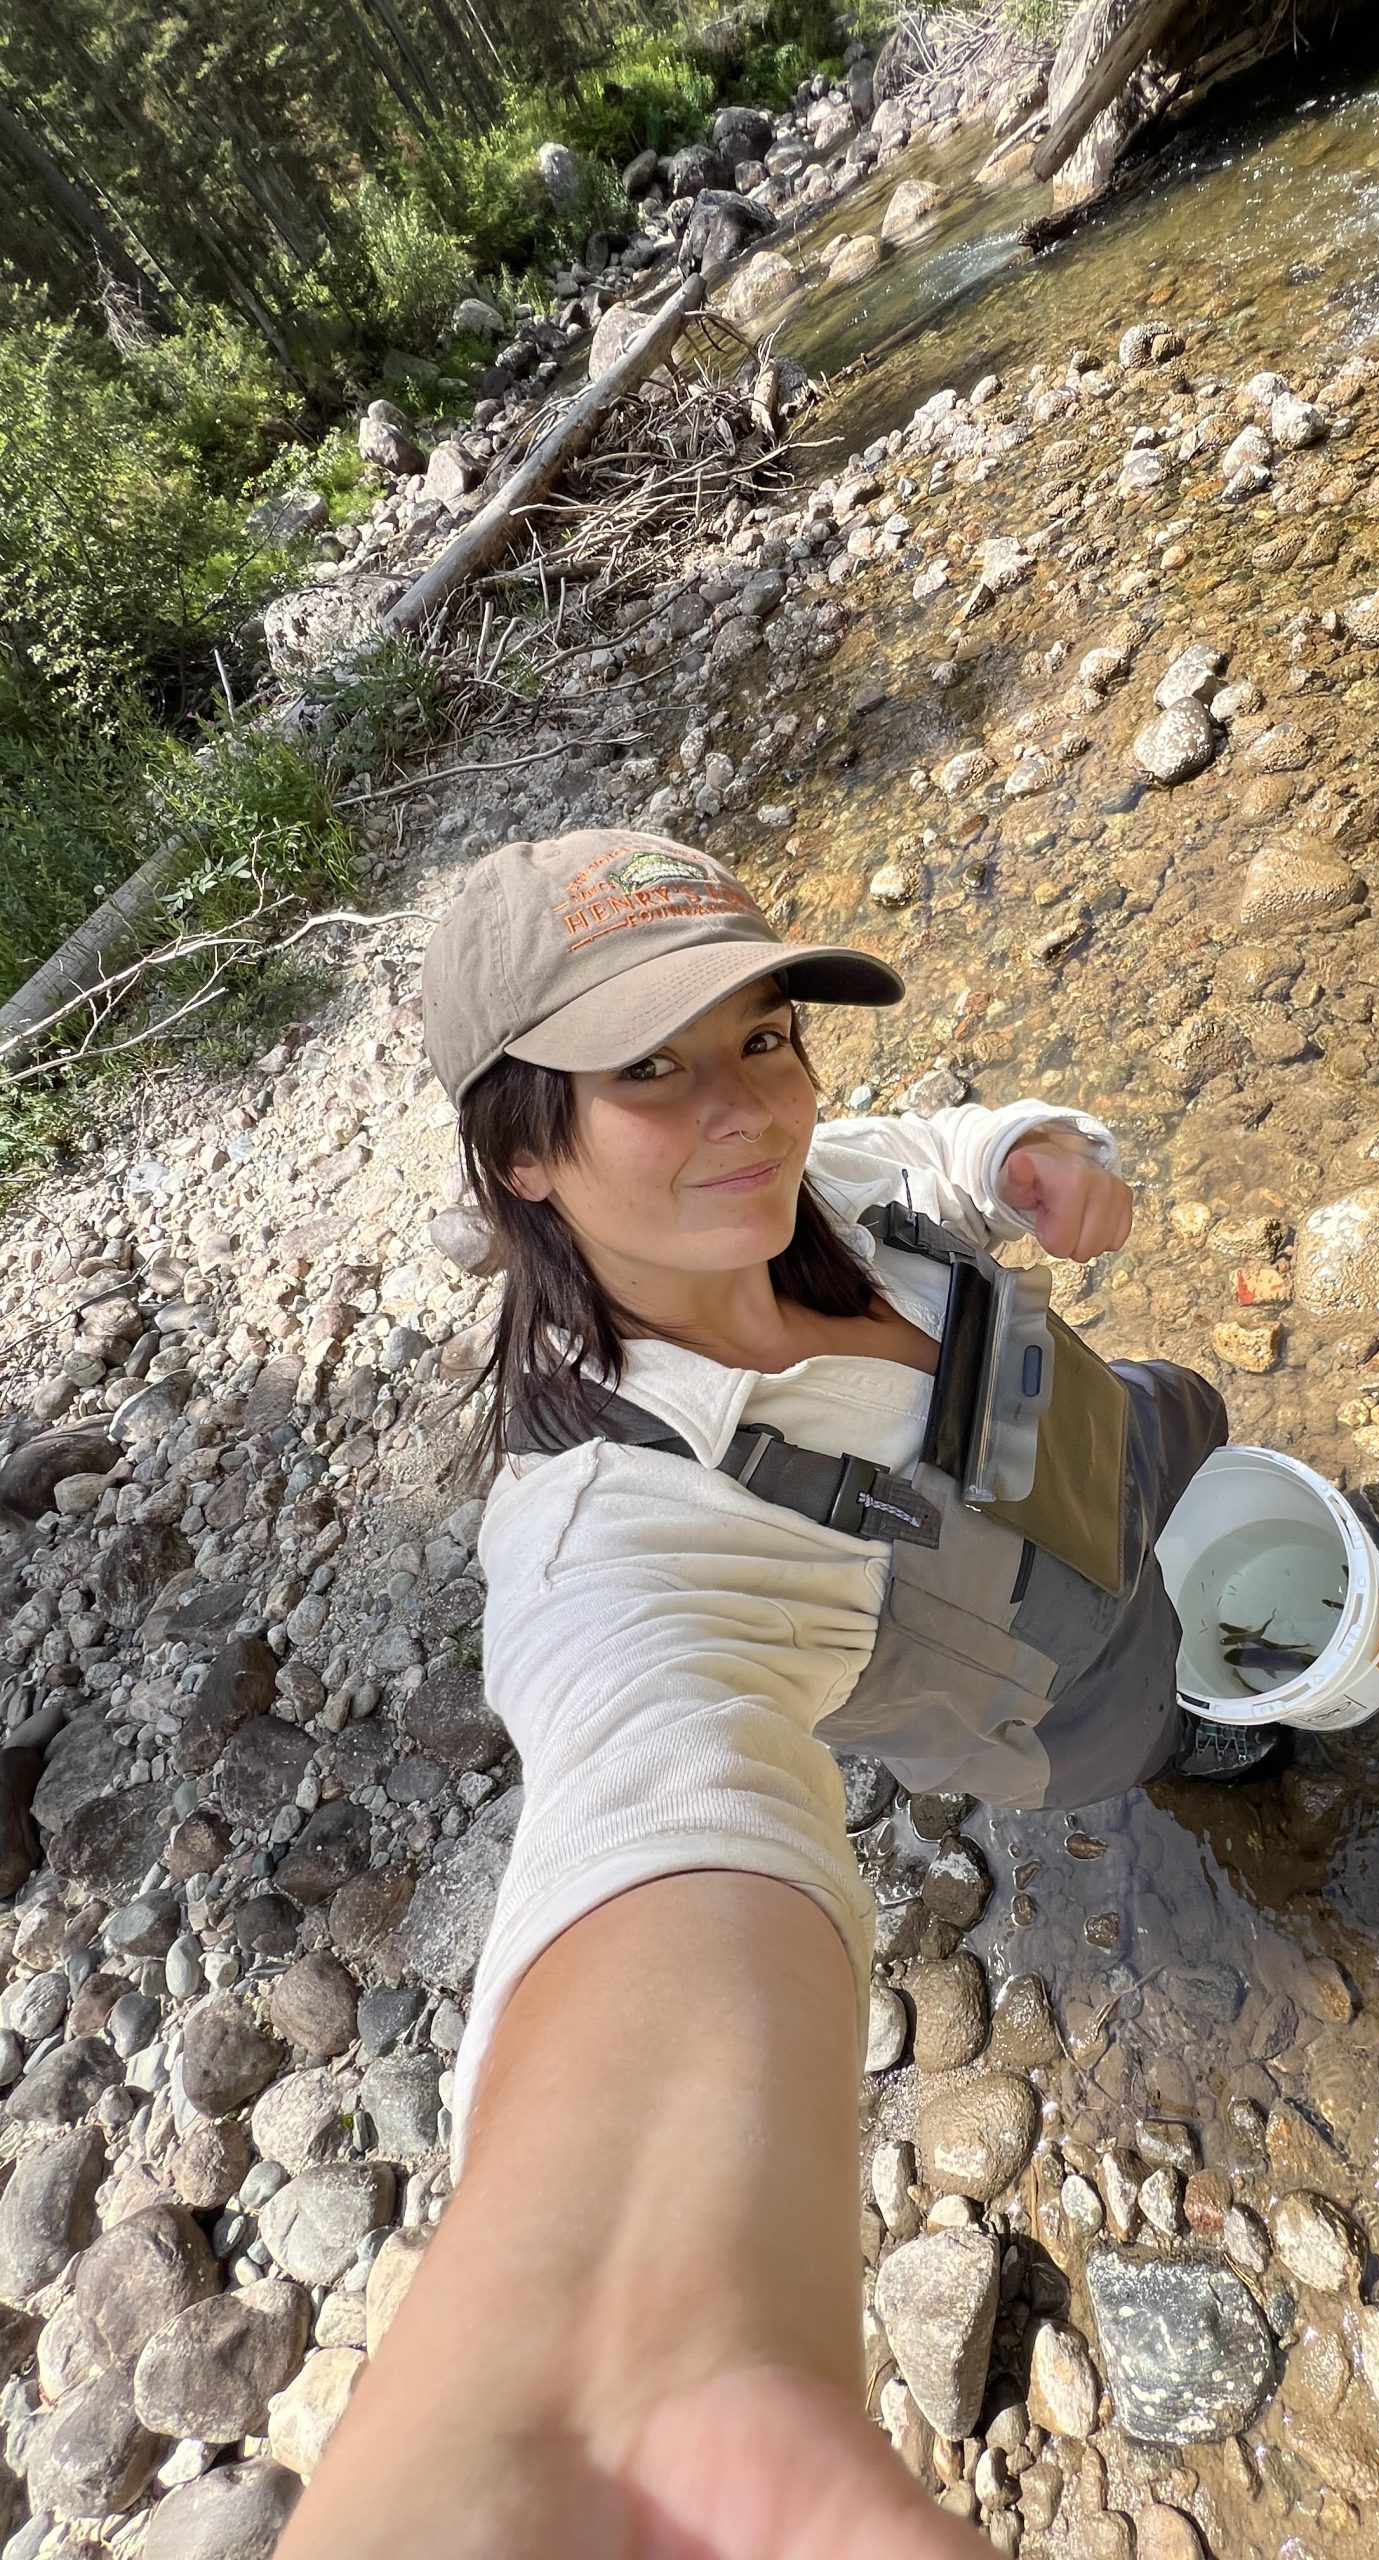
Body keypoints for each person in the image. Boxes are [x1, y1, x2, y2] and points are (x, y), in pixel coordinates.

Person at [281, 830, 1237, 2558]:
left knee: (1200, 1418)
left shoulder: (814, 1190)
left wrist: (1033, 1153)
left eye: (763, 1035)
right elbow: (652, 1813)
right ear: (517, 1156)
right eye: (648, 1067)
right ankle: (1225, 1734)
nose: (746, 1108)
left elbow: (930, 1157)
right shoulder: (614, 1535)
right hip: (1085, 1687)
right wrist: (612, 2348)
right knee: (1194, 1728)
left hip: (1121, 1445)